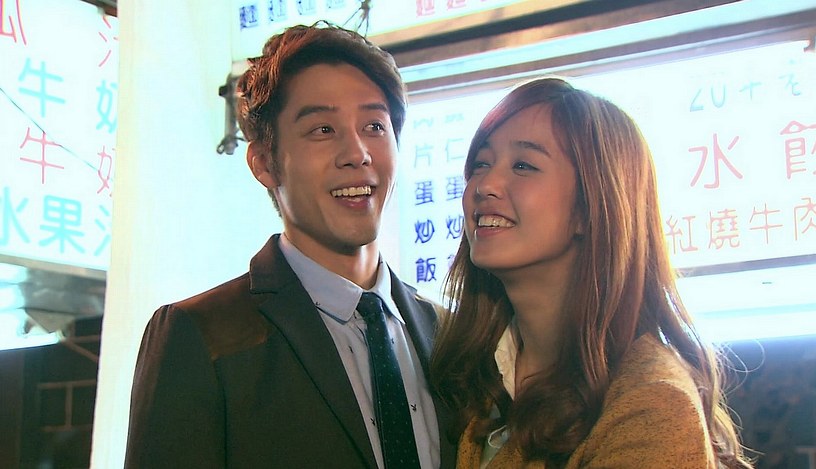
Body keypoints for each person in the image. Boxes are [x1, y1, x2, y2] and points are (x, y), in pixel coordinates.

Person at [125, 22, 456, 469]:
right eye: (323, 129)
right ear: (264, 162)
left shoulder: (449, 335)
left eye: (374, 125)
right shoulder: (201, 335)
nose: (357, 153)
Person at [430, 77, 754, 468]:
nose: (485, 185)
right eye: (481, 164)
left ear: (591, 207)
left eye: (523, 165)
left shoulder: (651, 401)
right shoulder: (473, 374)